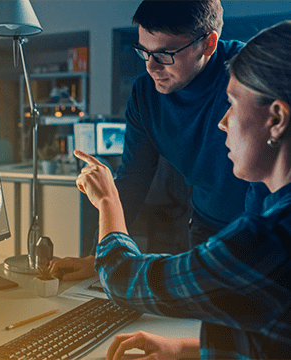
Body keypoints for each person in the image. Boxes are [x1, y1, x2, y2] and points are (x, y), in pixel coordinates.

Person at [75, 20, 291, 360]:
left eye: (232, 104)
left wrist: (107, 200)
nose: (222, 122)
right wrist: (185, 349)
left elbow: (123, 279)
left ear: (277, 119)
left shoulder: (268, 241)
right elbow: (274, 338)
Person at [51, 0, 267, 282]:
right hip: (205, 226)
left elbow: (263, 184)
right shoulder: (145, 95)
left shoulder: (251, 79)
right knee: (197, 322)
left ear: (209, 44)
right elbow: (133, 177)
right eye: (144, 52)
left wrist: (254, 259)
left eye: (165, 54)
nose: (152, 67)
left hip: (262, 230)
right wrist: (97, 256)